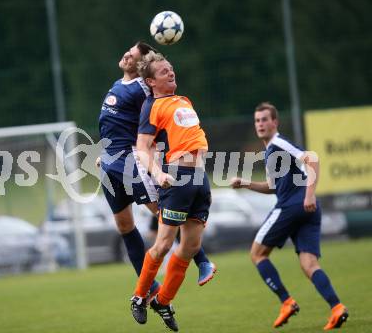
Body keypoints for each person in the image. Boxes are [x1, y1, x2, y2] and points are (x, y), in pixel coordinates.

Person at [98, 42, 216, 301]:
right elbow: (115, 126)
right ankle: (150, 288)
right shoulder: (120, 84)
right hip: (110, 162)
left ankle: (202, 260)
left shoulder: (144, 91)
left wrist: (157, 162)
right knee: (124, 225)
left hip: (129, 161)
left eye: (134, 55)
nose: (127, 54)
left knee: (165, 215)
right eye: (127, 50)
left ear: (143, 71)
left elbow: (155, 125)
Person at [230, 102, 348, 330]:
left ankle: (287, 302)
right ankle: (337, 308)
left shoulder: (279, 143)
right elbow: (273, 186)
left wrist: (309, 195)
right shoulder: (270, 152)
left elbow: (312, 158)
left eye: (265, 119)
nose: (261, 124)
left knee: (257, 254)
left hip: (294, 206)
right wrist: (245, 183)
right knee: (309, 263)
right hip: (305, 208)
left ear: (275, 122)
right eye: (257, 120)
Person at [129, 51, 212, 332]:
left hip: (200, 178)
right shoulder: (151, 106)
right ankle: (139, 297)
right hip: (178, 177)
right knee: (163, 244)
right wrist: (159, 172)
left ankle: (163, 301)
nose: (171, 73)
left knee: (190, 247)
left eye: (171, 68)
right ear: (151, 81)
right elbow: (142, 148)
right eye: (164, 72)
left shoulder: (184, 100)